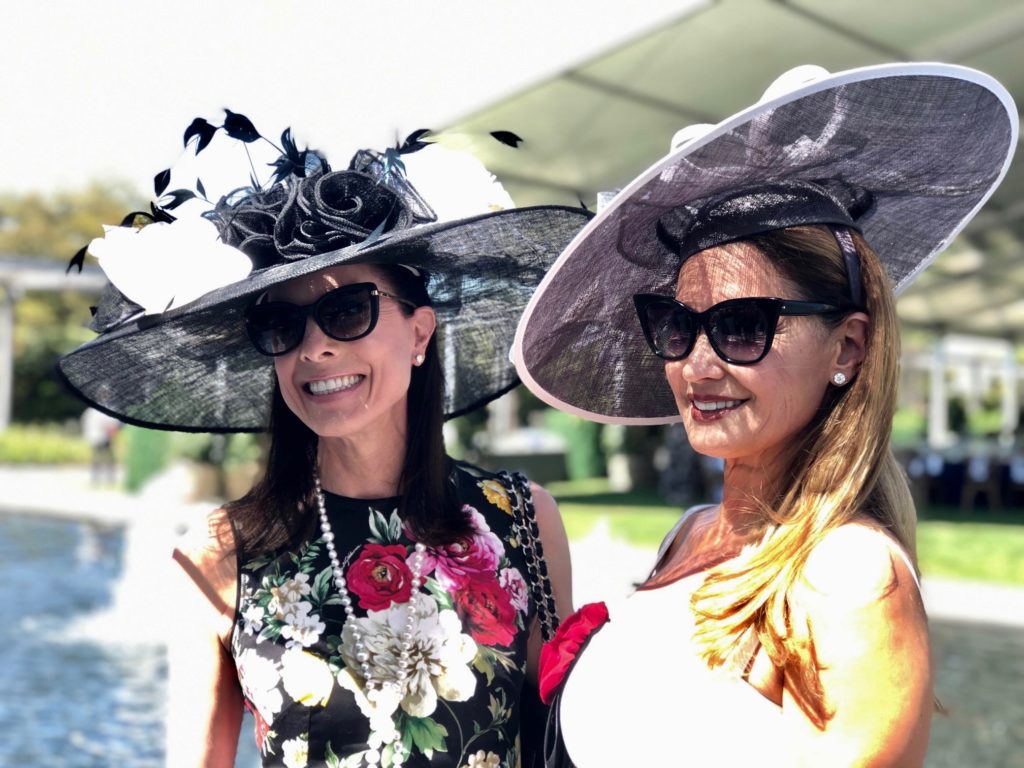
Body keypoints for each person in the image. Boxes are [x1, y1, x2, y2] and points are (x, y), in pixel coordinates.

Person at [513, 64, 1017, 766]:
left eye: (743, 325)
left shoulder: (849, 574)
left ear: (847, 346)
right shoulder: (692, 532)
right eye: (676, 325)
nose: (697, 365)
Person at [58, 116, 589, 767]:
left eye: (346, 311)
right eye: (283, 325)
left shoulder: (523, 519)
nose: (315, 347)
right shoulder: (221, 551)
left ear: (420, 333)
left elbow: (564, 741)